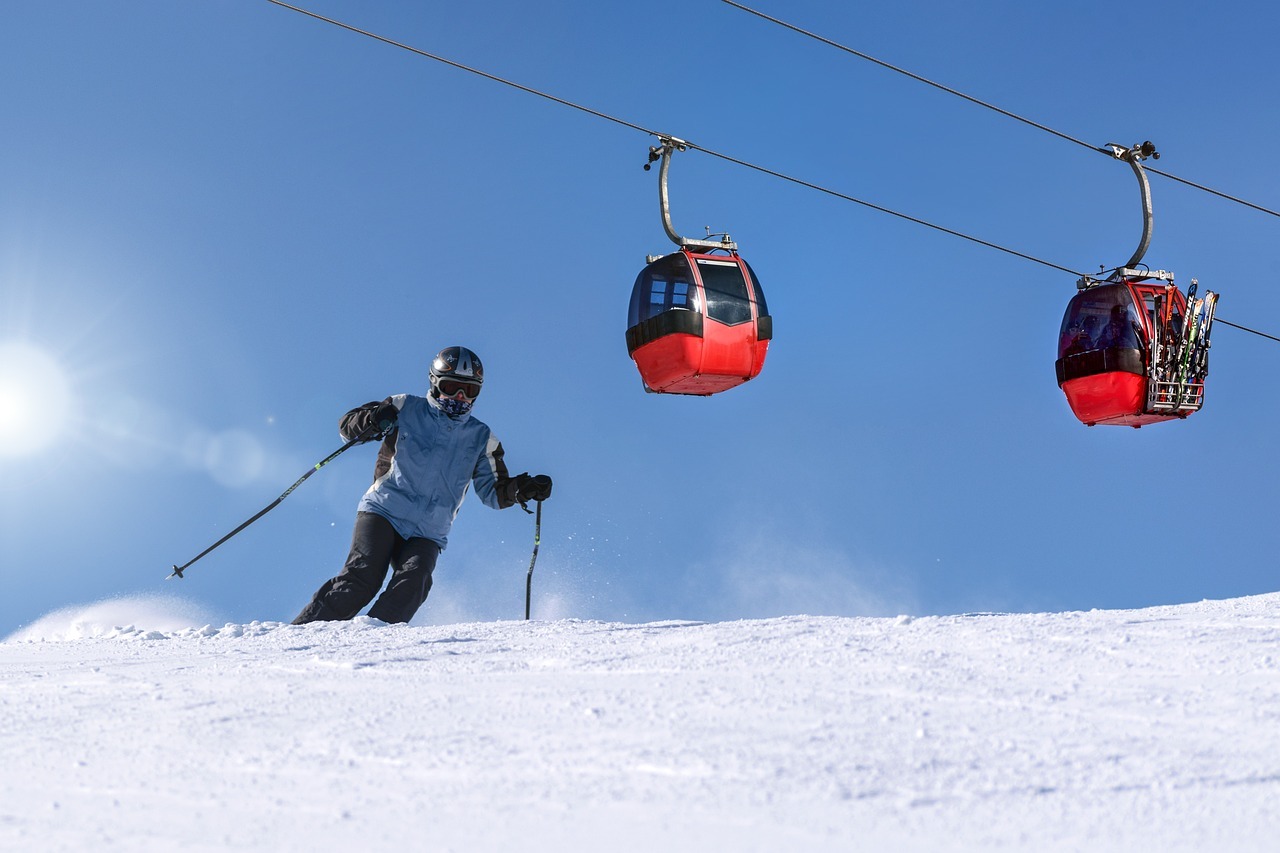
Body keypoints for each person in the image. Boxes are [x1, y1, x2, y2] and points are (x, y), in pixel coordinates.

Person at [293, 346, 553, 625]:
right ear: (434, 382)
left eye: (468, 390)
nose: (459, 397)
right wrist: (375, 419)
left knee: (414, 582)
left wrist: (522, 489)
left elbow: (494, 492)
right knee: (362, 579)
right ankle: (303, 634)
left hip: (428, 531)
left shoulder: (481, 438)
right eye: (451, 387)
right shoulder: (405, 407)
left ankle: (373, 641)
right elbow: (348, 428)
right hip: (383, 511)